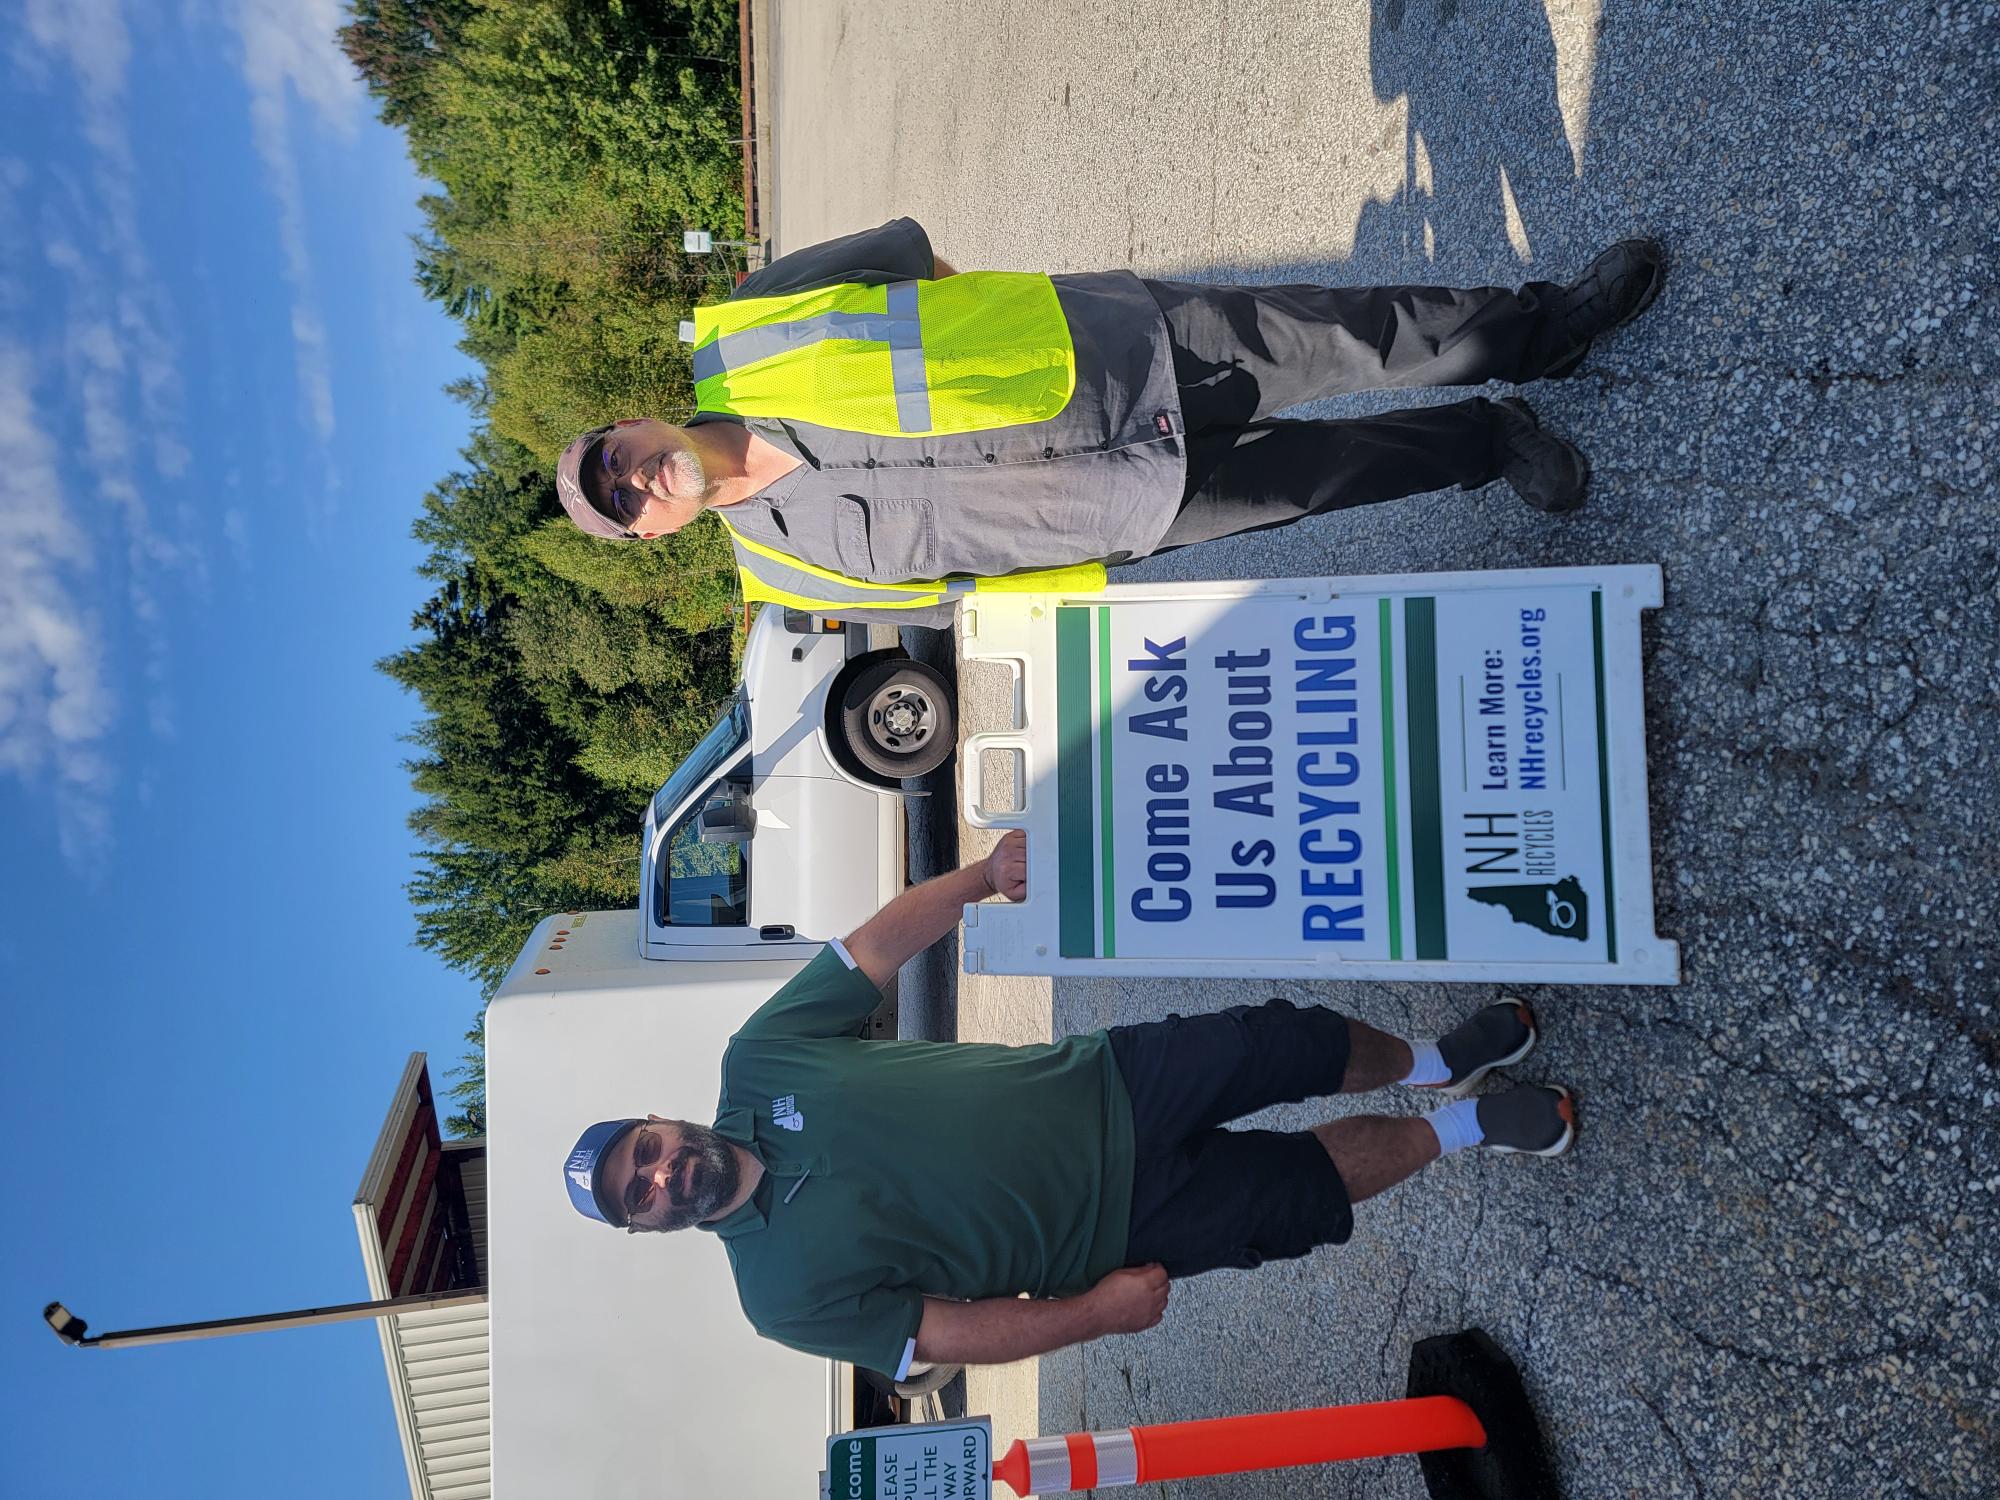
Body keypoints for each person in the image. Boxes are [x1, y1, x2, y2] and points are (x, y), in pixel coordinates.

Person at [561, 832, 1575, 1379]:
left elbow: (869, 949)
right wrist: (1092, 1315)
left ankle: (1433, 1062)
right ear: (649, 1226)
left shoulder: (761, 1059)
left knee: (1290, 1040)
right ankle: (1464, 1126)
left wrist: (975, 876)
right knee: (1301, 1190)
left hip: (1103, 1081)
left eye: (640, 1152)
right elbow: (947, 1333)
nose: (658, 1175)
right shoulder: (777, 1300)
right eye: (636, 1195)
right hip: (1113, 1230)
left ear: (658, 1120)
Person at [554, 218, 1665, 625]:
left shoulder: (744, 327)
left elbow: (906, 257)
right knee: (1334, 473)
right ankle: (1490, 441)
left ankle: (1543, 328)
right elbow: (963, 595)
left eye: (613, 459)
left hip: (1113, 354)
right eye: (619, 506)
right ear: (649, 538)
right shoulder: (786, 578)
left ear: (632, 422)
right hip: (1118, 510)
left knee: (1343, 336)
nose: (633, 481)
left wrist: (1015, 337)